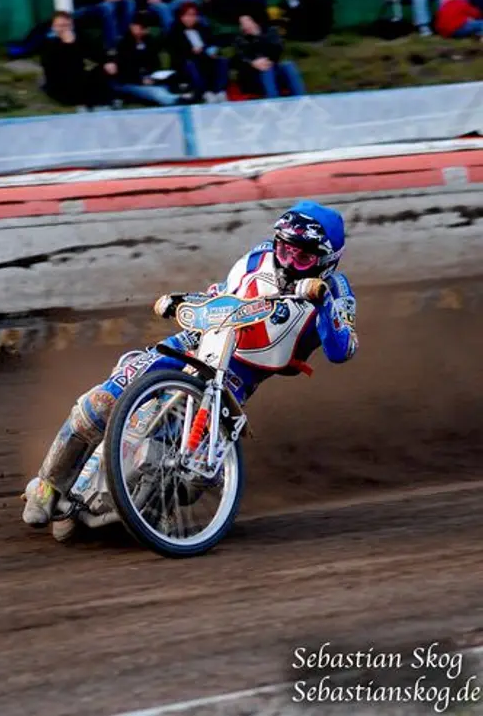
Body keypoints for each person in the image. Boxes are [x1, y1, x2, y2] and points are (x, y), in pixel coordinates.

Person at [22, 201, 358, 538]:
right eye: (284, 250)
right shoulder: (257, 258)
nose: (288, 262)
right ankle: (48, 484)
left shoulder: (337, 292)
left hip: (237, 376)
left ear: (327, 261)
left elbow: (342, 350)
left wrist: (323, 301)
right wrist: (184, 300)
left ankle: (155, 507)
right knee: (102, 401)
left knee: (199, 468)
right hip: (194, 341)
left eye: (303, 258)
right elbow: (223, 297)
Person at [114, 14, 184, 105]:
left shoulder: (149, 42)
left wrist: (154, 77)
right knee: (155, 92)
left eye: (143, 28)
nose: (140, 30)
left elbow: (155, 63)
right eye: (138, 27)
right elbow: (123, 71)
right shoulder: (123, 44)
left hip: (151, 79)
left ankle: (184, 95)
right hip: (131, 82)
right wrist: (141, 80)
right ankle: (174, 100)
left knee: (171, 81)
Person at [234, 14, 306, 99]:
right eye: (242, 23)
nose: (245, 25)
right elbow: (241, 56)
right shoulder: (240, 39)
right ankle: (274, 102)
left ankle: (301, 100)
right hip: (253, 75)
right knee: (267, 69)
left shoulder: (271, 31)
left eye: (247, 21)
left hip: (274, 68)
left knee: (288, 65)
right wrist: (253, 62)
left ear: (254, 22)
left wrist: (258, 35)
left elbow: (277, 50)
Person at [168, 2, 229, 102]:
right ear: (181, 17)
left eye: (193, 15)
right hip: (187, 60)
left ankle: (220, 91)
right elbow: (176, 52)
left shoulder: (202, 28)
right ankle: (205, 92)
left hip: (205, 57)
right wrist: (192, 51)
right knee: (192, 64)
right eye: (187, 15)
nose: (190, 18)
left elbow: (212, 43)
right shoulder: (175, 31)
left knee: (222, 61)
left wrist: (212, 51)